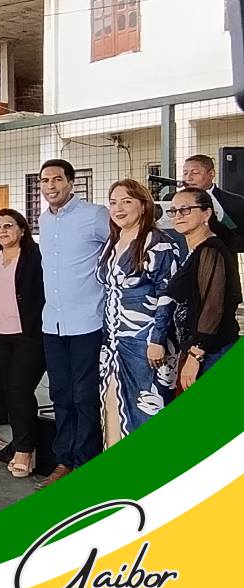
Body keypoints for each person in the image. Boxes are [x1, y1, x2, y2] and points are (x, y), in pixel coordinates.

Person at [36, 158, 110, 490]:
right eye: (44, 181)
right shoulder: (44, 220)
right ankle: (64, 461)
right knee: (60, 395)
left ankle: (86, 463)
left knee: (84, 396)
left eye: (56, 179)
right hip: (52, 323)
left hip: (87, 321)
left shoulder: (95, 216)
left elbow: (120, 249)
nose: (50, 186)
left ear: (70, 183)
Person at [97, 180, 179, 446]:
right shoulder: (113, 241)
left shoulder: (159, 243)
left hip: (146, 343)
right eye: (113, 203)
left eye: (126, 201)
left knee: (147, 411)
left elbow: (168, 295)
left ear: (143, 206)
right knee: (111, 405)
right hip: (112, 344)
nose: (118, 208)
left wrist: (157, 340)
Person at [151, 188, 241, 390]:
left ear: (206, 213)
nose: (178, 216)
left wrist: (195, 354)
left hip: (213, 353)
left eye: (185, 209)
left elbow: (213, 307)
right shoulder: (197, 250)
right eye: (173, 211)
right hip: (201, 351)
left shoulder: (210, 250)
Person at [0, 209, 45, 478]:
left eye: (8, 226)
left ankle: (25, 451)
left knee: (20, 389)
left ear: (21, 229)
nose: (3, 231)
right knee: (10, 392)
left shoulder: (34, 257)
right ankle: (20, 440)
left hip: (27, 335)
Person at [181, 154, 244, 254]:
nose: (188, 178)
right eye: (185, 173)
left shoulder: (235, 202)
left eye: (195, 172)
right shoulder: (172, 200)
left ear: (211, 174)